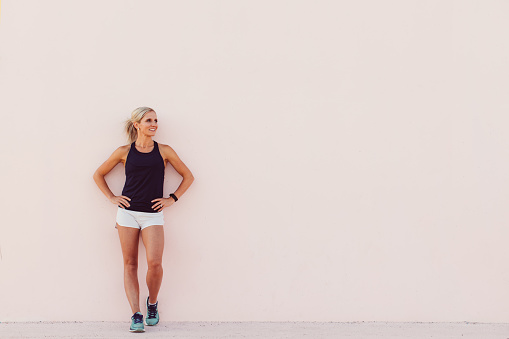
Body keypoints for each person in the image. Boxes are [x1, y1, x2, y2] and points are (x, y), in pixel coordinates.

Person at [93, 107, 194, 332]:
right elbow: (98, 174)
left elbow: (189, 176)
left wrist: (172, 198)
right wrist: (111, 197)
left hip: (152, 215)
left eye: (156, 120)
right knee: (130, 264)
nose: (154, 124)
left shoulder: (165, 151)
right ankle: (136, 315)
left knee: (155, 264)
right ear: (137, 124)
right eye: (149, 120)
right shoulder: (123, 152)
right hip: (127, 214)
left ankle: (152, 304)